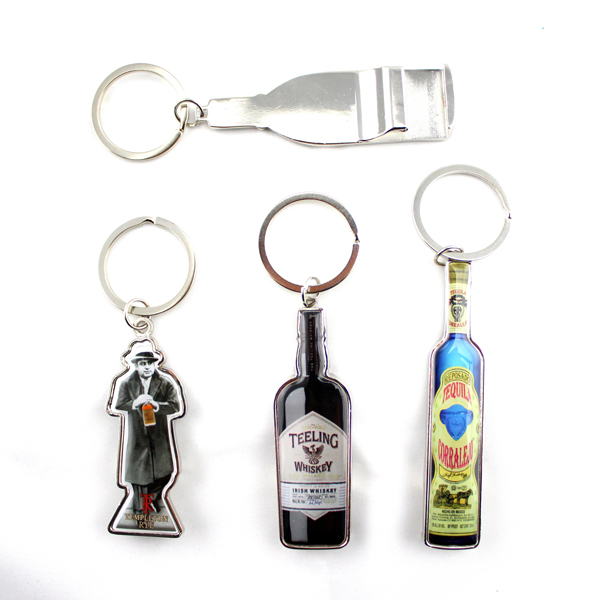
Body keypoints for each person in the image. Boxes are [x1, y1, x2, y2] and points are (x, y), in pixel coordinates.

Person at [115, 349, 181, 513]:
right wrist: (135, 402)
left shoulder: (165, 383)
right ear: (136, 366)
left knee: (165, 472)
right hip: (138, 436)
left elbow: (175, 406)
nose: (147, 367)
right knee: (139, 476)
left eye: (150, 363)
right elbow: (118, 405)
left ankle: (152, 499)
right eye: (142, 363)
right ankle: (141, 512)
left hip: (159, 436)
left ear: (154, 365)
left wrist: (158, 405)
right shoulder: (127, 383)